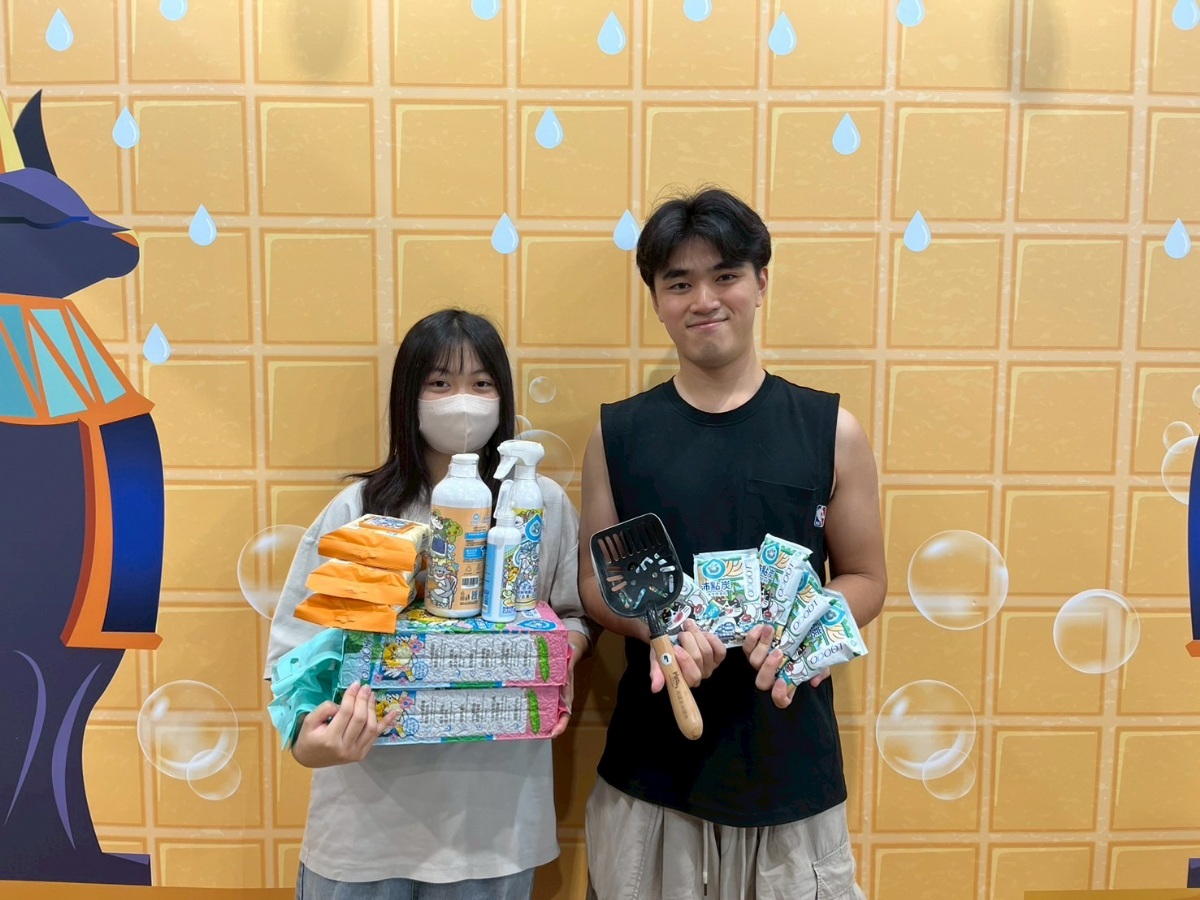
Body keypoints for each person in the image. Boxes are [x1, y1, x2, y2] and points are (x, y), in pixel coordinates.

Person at [578, 189, 887, 899]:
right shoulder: (616, 436)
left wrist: (807, 623)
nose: (704, 300)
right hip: (652, 773)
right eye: (679, 283)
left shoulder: (831, 430)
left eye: (725, 276)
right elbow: (597, 583)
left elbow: (867, 577)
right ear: (657, 301)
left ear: (761, 282)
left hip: (791, 771)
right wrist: (660, 630)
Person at [266, 308, 594, 900]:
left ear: (503, 396)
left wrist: (558, 657)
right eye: (439, 383)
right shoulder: (360, 509)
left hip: (494, 828)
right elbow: (296, 652)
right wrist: (306, 740)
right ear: (408, 398)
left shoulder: (538, 504)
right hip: (364, 831)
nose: (462, 401)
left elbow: (573, 613)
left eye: (481, 383)